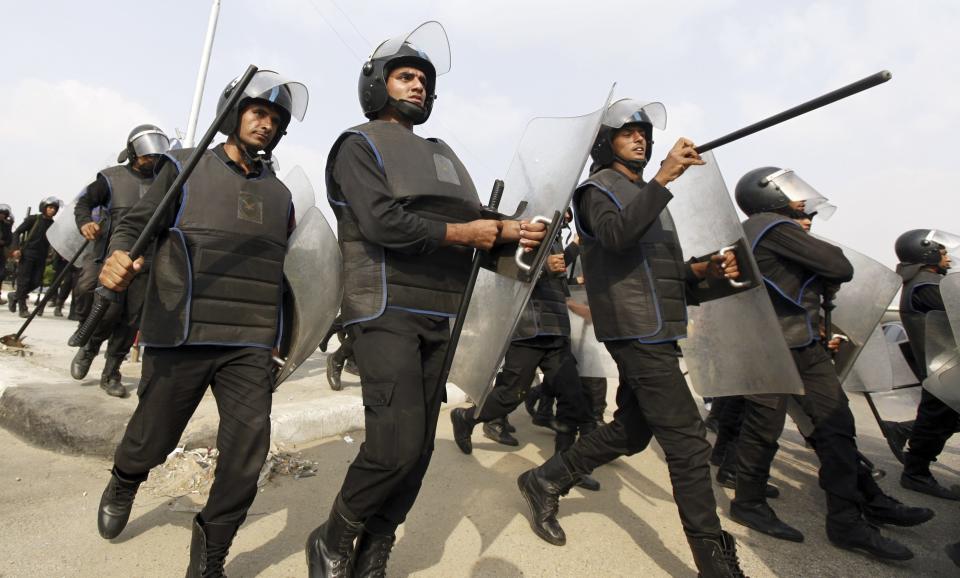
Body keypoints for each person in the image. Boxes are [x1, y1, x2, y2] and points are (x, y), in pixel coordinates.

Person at [305, 23, 545, 578]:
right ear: (378, 85)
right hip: (383, 306)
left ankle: (375, 547)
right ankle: (334, 535)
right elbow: (382, 221)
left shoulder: (444, 154)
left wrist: (514, 229)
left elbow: (472, 218)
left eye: (422, 80)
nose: (417, 86)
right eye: (405, 76)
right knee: (393, 443)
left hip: (445, 311)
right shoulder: (357, 144)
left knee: (418, 450)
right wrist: (470, 235)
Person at [516, 99, 748, 576]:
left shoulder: (648, 196)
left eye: (644, 132)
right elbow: (615, 236)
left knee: (633, 431)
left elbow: (659, 272)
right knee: (687, 443)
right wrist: (663, 178)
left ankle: (545, 479)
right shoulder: (595, 191)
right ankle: (713, 561)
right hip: (635, 331)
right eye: (628, 132)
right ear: (606, 142)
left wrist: (703, 271)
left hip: (661, 328)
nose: (640, 138)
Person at [93, 70, 308, 577]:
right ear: (233, 114)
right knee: (154, 437)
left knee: (247, 453)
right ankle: (126, 478)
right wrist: (119, 254)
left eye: (275, 119)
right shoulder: (183, 168)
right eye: (258, 111)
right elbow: (133, 224)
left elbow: (293, 274)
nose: (266, 123)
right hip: (183, 329)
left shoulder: (281, 195)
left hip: (250, 343)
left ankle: (212, 548)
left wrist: (286, 342)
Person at [728, 167, 933, 560]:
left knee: (820, 427)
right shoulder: (773, 226)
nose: (800, 199)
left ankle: (860, 503)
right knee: (808, 427)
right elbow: (840, 266)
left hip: (788, 342)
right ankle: (827, 516)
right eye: (789, 189)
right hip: (785, 346)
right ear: (768, 194)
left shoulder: (755, 229)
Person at [451, 243, 599, 490]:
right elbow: (505, 274)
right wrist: (543, 269)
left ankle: (564, 468)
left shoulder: (556, 240)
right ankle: (466, 418)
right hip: (527, 330)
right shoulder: (520, 233)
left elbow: (558, 281)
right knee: (511, 394)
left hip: (557, 329)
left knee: (573, 397)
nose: (566, 218)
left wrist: (572, 257)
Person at [69, 125, 171, 397]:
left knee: (131, 320)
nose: (153, 161)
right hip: (111, 255)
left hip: (147, 262)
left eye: (157, 156)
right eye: (147, 156)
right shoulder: (111, 178)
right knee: (108, 311)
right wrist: (85, 222)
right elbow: (83, 204)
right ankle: (89, 349)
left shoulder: (167, 183)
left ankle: (111, 371)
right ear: (133, 154)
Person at [894, 229, 959, 500]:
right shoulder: (927, 284)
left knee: (942, 419)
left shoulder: (924, 281)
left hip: (942, 363)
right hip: (942, 366)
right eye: (942, 252)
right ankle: (916, 473)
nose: (947, 257)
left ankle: (904, 432)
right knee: (936, 420)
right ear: (926, 252)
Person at [8, 197, 60, 317]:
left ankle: (15, 296)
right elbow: (17, 232)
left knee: (36, 282)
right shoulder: (34, 219)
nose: (52, 210)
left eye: (54, 208)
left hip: (41, 257)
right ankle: (23, 308)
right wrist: (16, 249)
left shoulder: (53, 225)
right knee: (23, 281)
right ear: (44, 208)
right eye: (50, 207)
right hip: (27, 254)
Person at [0, 204, 13, 303]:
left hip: (1, 251)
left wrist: (3, 242)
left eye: (4, 214)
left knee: (1, 274)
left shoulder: (6, 226)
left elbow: (9, 239)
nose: (2, 215)